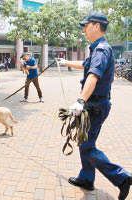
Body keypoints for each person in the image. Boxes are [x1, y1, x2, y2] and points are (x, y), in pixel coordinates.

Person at [58, 12, 132, 200]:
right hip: (96, 104)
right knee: (86, 142)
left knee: (87, 147)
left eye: (86, 25)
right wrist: (64, 62)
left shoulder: (101, 50)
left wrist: (81, 100)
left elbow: (93, 76)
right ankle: (87, 178)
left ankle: (122, 177)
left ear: (97, 26)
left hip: (95, 105)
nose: (84, 29)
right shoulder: (99, 48)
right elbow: (84, 65)